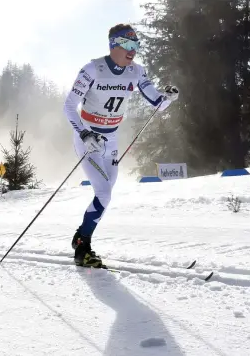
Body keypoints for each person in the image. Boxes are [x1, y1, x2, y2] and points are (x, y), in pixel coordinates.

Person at [63, 23, 179, 268]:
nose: (132, 50)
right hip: (89, 139)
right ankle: (82, 249)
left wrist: (168, 97)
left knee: (105, 195)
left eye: (135, 45)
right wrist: (84, 134)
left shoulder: (137, 72)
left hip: (111, 139)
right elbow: (68, 106)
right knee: (103, 193)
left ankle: (80, 236)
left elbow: (158, 103)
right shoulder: (92, 69)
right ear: (113, 45)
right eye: (127, 44)